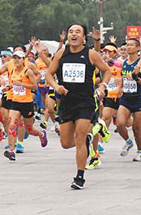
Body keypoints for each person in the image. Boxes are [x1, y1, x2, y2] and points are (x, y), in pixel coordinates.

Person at [46, 24, 110, 189]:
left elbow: (107, 71)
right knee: (66, 143)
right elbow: (49, 74)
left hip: (85, 101)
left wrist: (102, 86)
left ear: (83, 37)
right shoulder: (62, 53)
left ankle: (79, 176)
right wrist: (56, 86)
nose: (73, 34)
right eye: (71, 32)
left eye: (77, 32)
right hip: (67, 102)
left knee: (80, 136)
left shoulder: (90, 54)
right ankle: (91, 136)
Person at [115, 38, 141, 161]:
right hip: (125, 98)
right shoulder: (125, 63)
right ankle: (128, 142)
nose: (128, 47)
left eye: (131, 45)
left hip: (138, 98)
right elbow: (123, 78)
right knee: (119, 123)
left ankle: (140, 151)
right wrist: (120, 87)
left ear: (138, 48)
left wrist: (136, 78)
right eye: (127, 45)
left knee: (136, 129)